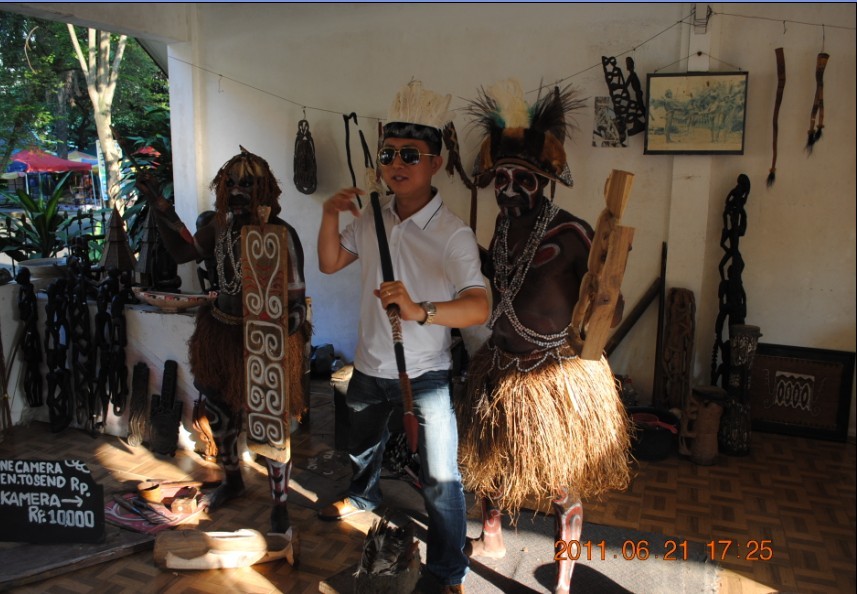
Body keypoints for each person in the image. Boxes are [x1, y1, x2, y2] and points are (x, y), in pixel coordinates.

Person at [458, 79, 631, 594]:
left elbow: (610, 300)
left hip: (553, 375)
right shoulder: (502, 228)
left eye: (524, 180)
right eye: (501, 178)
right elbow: (504, 280)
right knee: (489, 464)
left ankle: (563, 578)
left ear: (546, 182)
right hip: (501, 365)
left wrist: (601, 307)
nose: (510, 190)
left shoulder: (573, 233)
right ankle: (491, 538)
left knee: (560, 483)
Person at [317, 80, 489, 594]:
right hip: (369, 365)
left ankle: (448, 571)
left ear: (436, 163)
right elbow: (330, 262)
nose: (397, 163)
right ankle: (363, 496)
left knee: (441, 481)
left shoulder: (453, 233)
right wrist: (329, 214)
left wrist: (420, 310)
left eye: (410, 154)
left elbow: (479, 305)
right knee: (362, 449)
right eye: (389, 153)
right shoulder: (373, 215)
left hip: (425, 375)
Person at [136, 148, 310, 537]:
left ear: (264, 188)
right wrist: (160, 207)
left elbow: (297, 300)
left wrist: (278, 334)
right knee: (219, 413)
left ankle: (280, 504)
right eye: (230, 183)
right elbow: (183, 251)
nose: (236, 191)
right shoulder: (219, 229)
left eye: (247, 183)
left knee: (271, 422)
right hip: (219, 334)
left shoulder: (281, 234)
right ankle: (232, 480)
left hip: (265, 341)